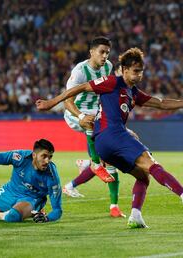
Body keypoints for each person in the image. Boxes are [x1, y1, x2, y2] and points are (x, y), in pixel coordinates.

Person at [36, 47, 183, 228]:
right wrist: (51, 103)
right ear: (124, 70)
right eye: (135, 71)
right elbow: (80, 87)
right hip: (112, 134)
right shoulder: (112, 82)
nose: (139, 75)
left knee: (143, 176)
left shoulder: (133, 92)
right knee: (150, 163)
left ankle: (135, 216)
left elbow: (161, 104)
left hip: (105, 145)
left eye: (141, 72)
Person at [62, 36, 126, 218]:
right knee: (95, 125)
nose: (105, 56)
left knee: (111, 156)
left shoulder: (108, 67)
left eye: (107, 52)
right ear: (91, 52)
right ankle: (94, 163)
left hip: (96, 111)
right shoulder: (80, 71)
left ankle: (114, 206)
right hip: (76, 113)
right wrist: (81, 116)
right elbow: (67, 100)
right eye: (101, 52)